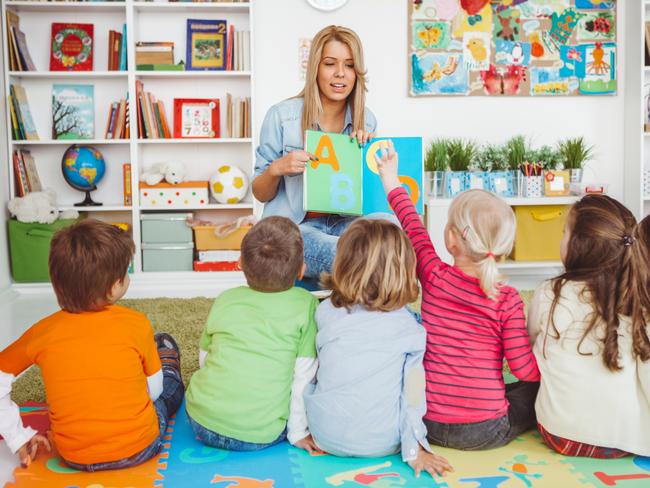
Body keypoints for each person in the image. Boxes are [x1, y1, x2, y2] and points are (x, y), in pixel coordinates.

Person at [376, 141, 540, 450]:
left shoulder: (434, 277)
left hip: (429, 424)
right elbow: (522, 368)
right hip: (486, 431)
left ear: (451, 239)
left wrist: (390, 178)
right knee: (527, 391)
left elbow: (412, 226)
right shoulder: (508, 299)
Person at [0, 219, 184, 470]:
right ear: (113, 287)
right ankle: (170, 362)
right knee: (169, 389)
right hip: (140, 448)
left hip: (73, 456)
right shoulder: (136, 323)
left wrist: (16, 436)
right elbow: (154, 391)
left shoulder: (42, 332)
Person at [304, 219, 453, 478]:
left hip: (323, 434)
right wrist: (416, 448)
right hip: (383, 441)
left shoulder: (325, 311)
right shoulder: (409, 328)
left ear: (343, 264)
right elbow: (414, 394)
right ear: (405, 270)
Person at [528, 195, 650, 458]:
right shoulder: (637, 298)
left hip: (560, 435)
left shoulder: (549, 292)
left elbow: (529, 342)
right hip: (622, 442)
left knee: (526, 384)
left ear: (579, 246)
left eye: (564, 232)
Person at [185, 216, 320, 452]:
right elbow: (304, 375)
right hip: (260, 434)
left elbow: (205, 357)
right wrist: (298, 431)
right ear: (301, 271)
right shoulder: (306, 305)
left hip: (200, 421)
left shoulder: (226, 299)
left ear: (240, 264)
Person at [252, 25, 377, 279]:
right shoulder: (282, 116)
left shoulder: (367, 121)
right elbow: (260, 192)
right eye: (330, 63)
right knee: (353, 254)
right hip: (298, 229)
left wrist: (369, 158)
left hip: (346, 224)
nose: (340, 74)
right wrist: (277, 168)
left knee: (391, 233)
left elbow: (370, 198)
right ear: (315, 69)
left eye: (350, 65)